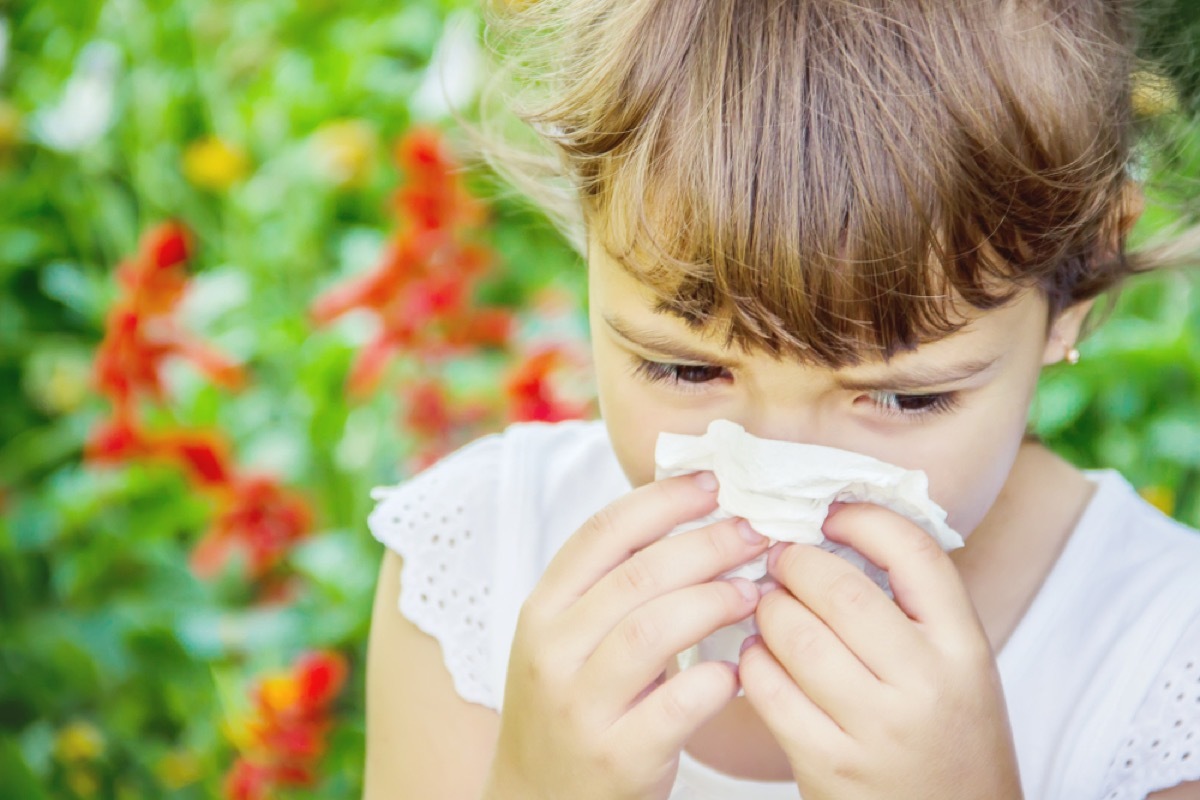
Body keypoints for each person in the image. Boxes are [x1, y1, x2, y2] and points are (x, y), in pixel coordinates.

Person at [364, 1, 1200, 798]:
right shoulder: (478, 557)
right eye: (684, 370)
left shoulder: (1165, 665)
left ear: (1079, 281)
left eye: (904, 400)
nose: (772, 490)